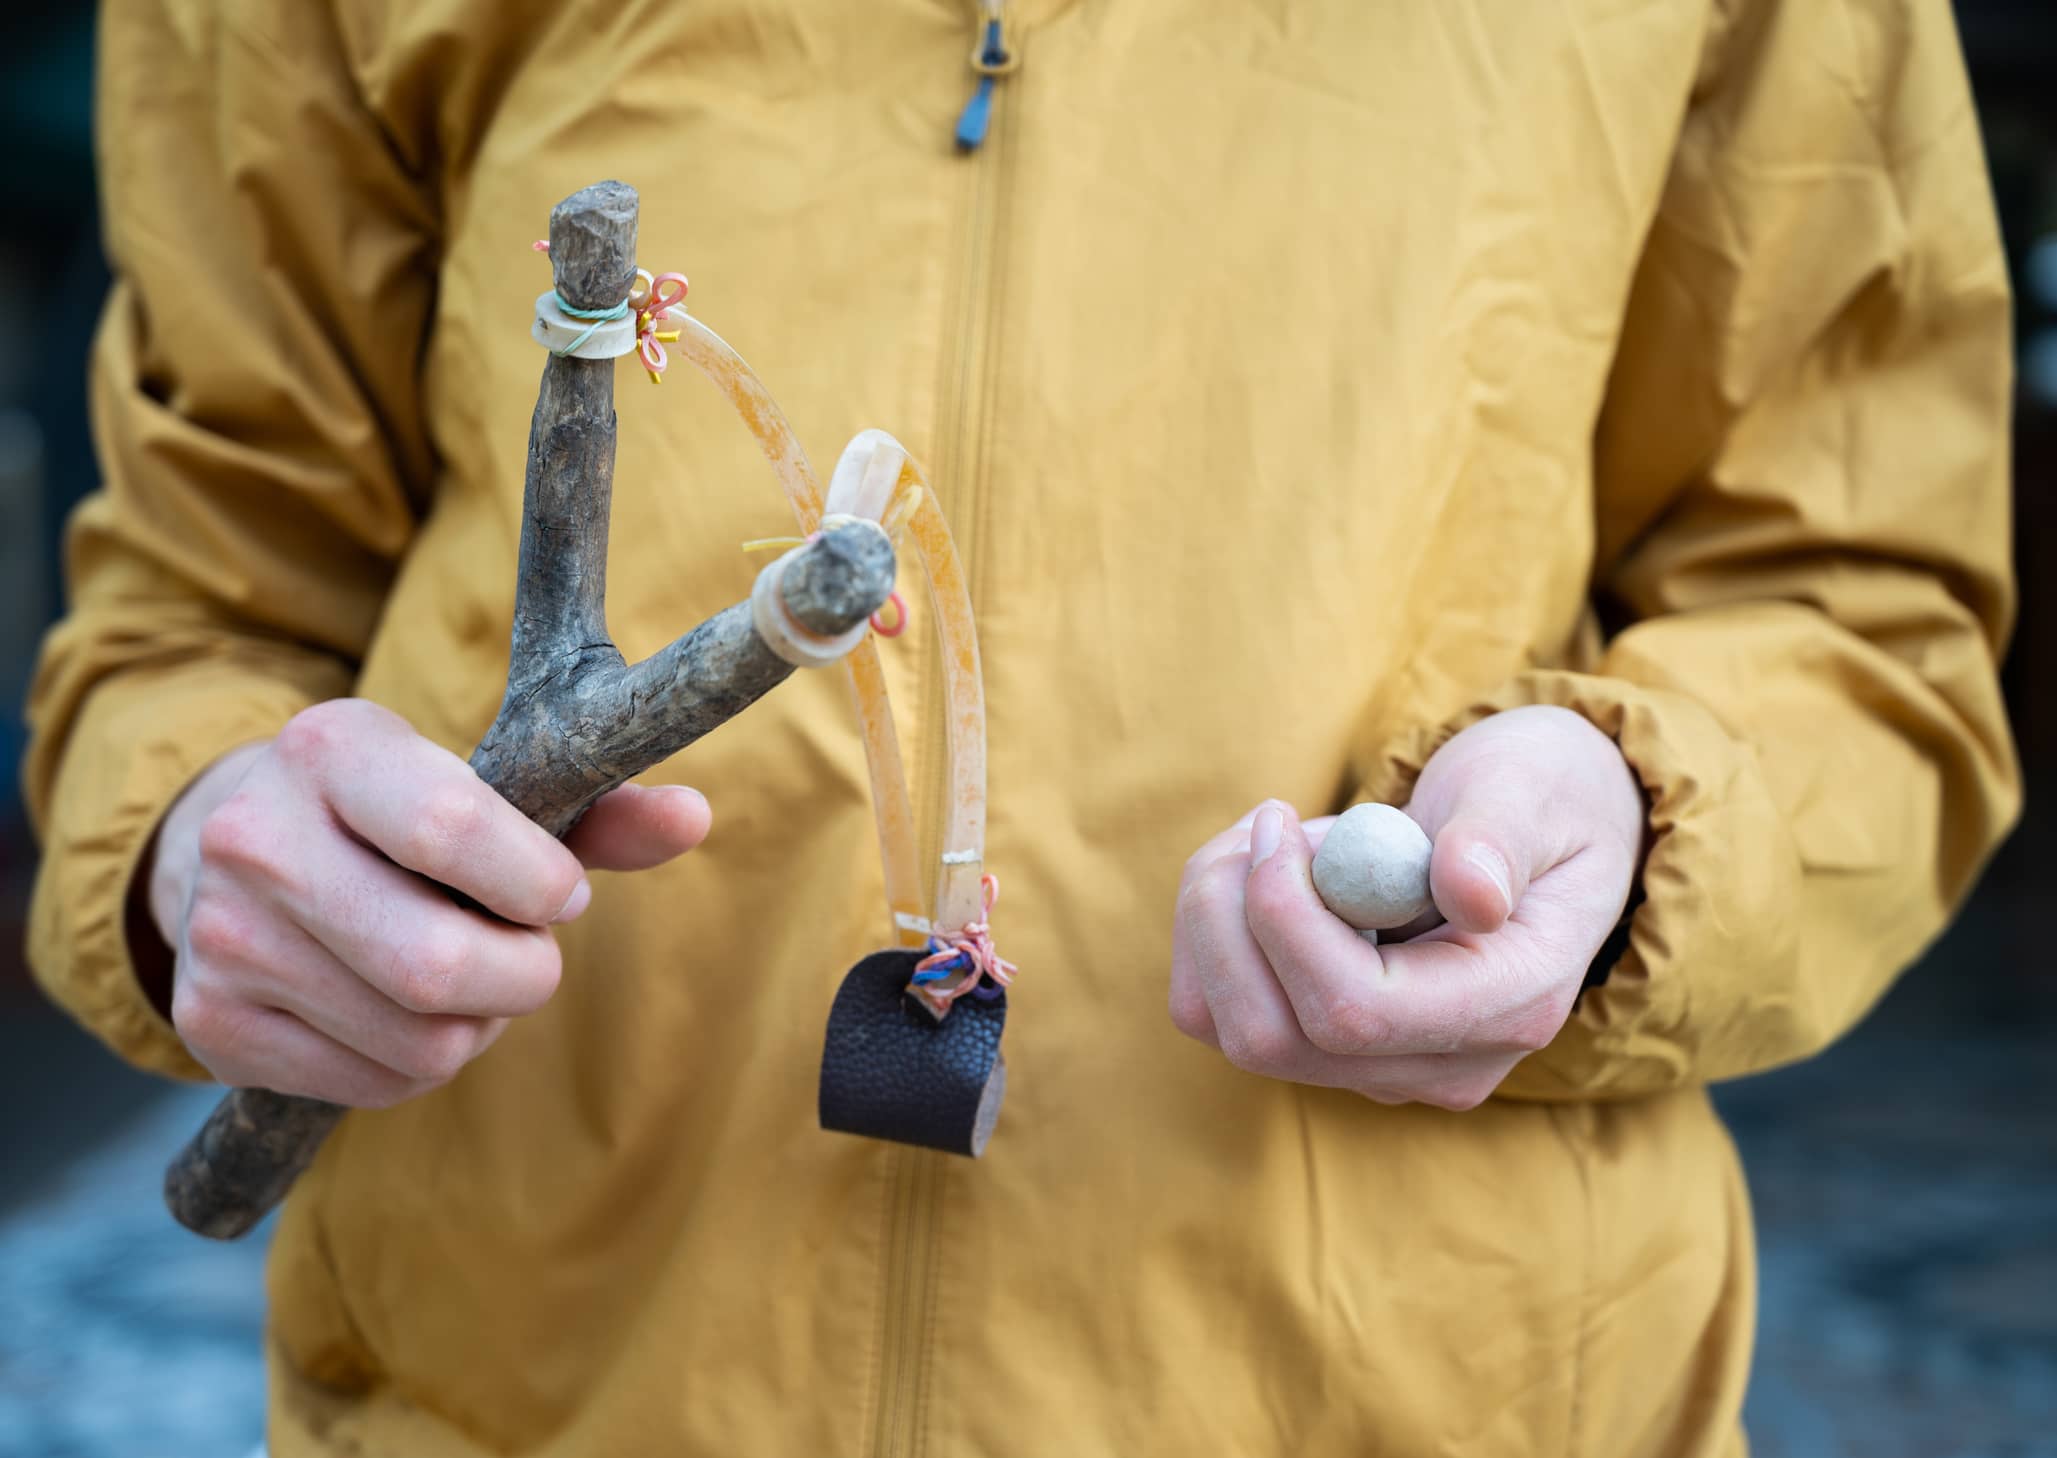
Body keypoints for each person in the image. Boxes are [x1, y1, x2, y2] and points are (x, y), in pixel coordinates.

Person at [25, 1, 2020, 1454]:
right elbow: (210, 587)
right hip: (533, 1390)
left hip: (1423, 1398)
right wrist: (204, 847)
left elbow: (1864, 614)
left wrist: (1629, 826)